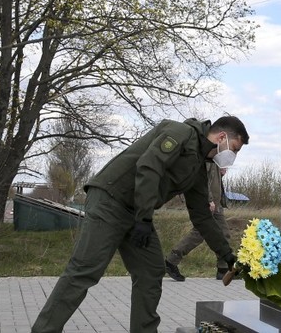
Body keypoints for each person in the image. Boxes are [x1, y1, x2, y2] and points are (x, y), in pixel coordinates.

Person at [31, 116, 249, 333]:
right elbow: (149, 166)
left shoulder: (198, 168)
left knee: (151, 271)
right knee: (85, 271)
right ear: (222, 137)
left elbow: (201, 215)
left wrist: (227, 255)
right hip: (111, 200)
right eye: (235, 149)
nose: (234, 156)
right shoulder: (180, 133)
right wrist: (144, 219)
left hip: (136, 211)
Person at [164, 162, 233, 281]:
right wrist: (209, 199)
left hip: (216, 204)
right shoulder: (208, 156)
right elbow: (203, 180)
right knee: (200, 232)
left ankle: (223, 268)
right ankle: (171, 261)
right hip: (208, 203)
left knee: (223, 233)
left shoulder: (217, 158)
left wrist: (220, 172)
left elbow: (213, 180)